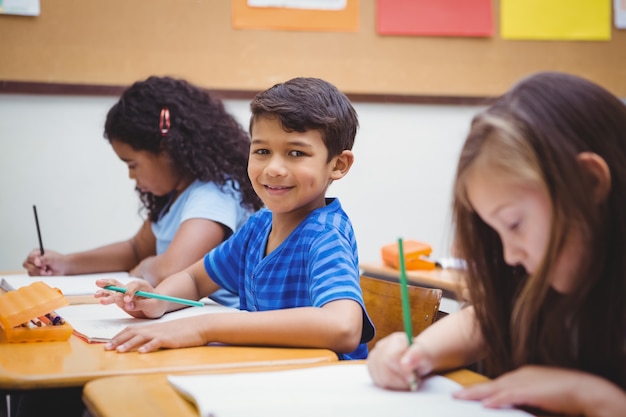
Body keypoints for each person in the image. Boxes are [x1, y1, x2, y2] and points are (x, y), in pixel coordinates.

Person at [367, 72, 626, 417]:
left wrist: (589, 396)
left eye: (515, 224)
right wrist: (418, 351)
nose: (510, 255)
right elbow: (489, 320)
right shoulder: (550, 283)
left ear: (589, 181)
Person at [94, 77, 374, 361]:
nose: (274, 168)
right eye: (262, 151)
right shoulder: (258, 227)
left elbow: (343, 327)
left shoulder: (325, 235)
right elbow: (195, 278)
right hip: (270, 372)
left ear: (337, 165)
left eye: (296, 153)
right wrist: (158, 300)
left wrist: (206, 327)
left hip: (323, 385)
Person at [22, 76, 263, 307]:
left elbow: (174, 268)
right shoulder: (175, 195)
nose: (131, 176)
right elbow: (136, 249)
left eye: (133, 165)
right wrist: (66, 263)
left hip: (221, 318)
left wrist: (143, 268)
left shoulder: (214, 194)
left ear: (168, 150)